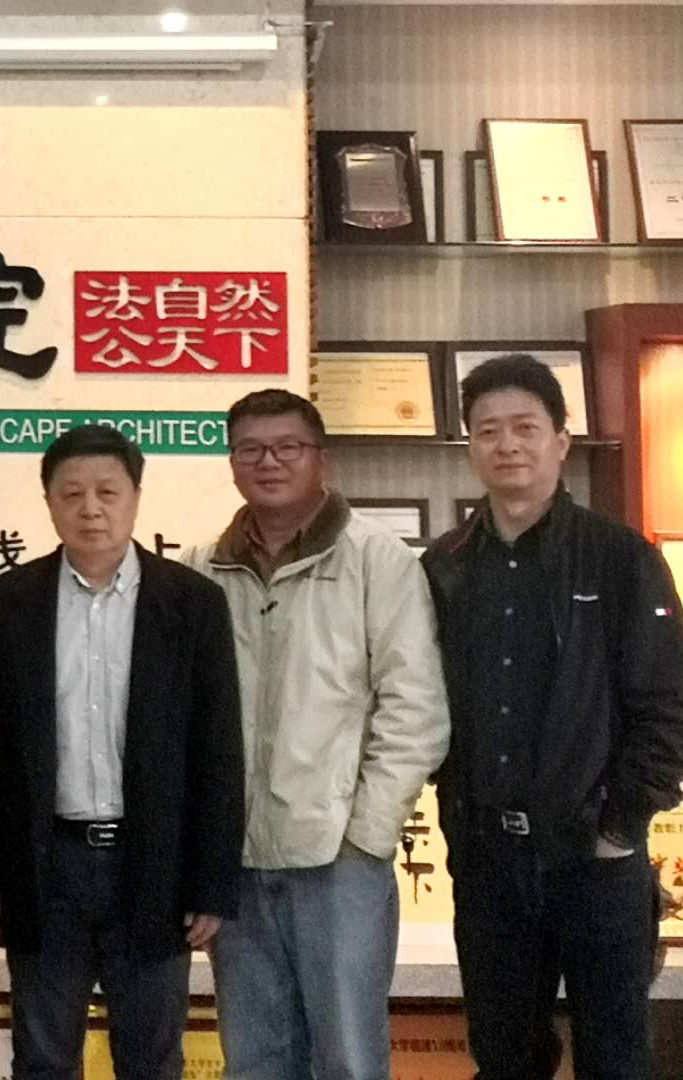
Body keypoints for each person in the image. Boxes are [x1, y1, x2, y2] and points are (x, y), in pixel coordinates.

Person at [423, 355, 683, 1080]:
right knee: (504, 1058)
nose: (507, 444)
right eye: (488, 430)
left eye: (525, 427)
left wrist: (618, 828)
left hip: (593, 860)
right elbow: (420, 701)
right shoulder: (445, 565)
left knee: (614, 1058)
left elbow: (670, 708)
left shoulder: (620, 558)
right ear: (471, 446)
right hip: (487, 860)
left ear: (560, 442)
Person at [184, 390, 448, 1080]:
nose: (267, 462)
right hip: (236, 863)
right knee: (253, 1061)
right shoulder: (200, 569)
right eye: (249, 449)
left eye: (287, 447)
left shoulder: (376, 559)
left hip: (339, 861)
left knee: (348, 1062)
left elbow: (415, 709)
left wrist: (365, 834)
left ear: (320, 459)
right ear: (231, 462)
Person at [0, 425, 243, 1080]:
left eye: (107, 492)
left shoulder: (192, 603)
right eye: (71, 494)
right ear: (48, 503)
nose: (90, 509)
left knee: (151, 1058)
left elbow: (217, 750)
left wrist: (209, 883)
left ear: (135, 498)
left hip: (151, 866)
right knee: (42, 1058)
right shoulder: (8, 602)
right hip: (47, 867)